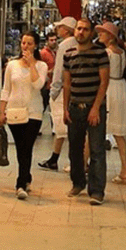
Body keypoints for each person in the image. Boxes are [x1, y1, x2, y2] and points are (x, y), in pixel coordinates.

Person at [62, 17, 110, 205]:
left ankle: (97, 190)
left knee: (97, 149)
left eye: (85, 29)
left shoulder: (100, 53)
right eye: (78, 29)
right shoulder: (69, 54)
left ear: (91, 33)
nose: (81, 32)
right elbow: (67, 83)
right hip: (75, 107)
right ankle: (78, 182)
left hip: (93, 107)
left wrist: (96, 107)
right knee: (75, 148)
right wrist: (65, 108)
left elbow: (103, 81)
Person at [0, 31, 48, 199]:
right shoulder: (12, 65)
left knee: (27, 146)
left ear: (35, 46)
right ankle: (26, 176)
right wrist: (2, 110)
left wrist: (31, 65)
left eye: (29, 43)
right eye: (23, 43)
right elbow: (6, 89)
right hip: (14, 112)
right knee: (21, 148)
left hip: (34, 112)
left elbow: (38, 84)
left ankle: (20, 183)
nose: (25, 46)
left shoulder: (41, 66)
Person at [97, 22, 126, 184]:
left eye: (103, 33)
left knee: (95, 128)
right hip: (121, 88)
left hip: (109, 88)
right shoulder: (122, 53)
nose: (100, 36)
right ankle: (125, 168)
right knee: (119, 133)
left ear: (110, 37)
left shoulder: (107, 53)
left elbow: (102, 75)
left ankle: (82, 164)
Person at [40, 17, 78, 170]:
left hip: (62, 90)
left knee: (63, 127)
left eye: (60, 27)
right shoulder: (76, 44)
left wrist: (54, 90)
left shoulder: (64, 46)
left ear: (66, 29)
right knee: (62, 129)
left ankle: (73, 160)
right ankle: (54, 158)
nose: (58, 30)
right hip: (72, 89)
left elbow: (59, 70)